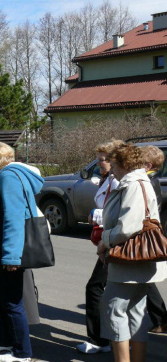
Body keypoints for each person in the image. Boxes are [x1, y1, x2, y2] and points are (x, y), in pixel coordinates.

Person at [97, 143, 167, 362]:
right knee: (136, 311)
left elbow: (128, 226)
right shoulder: (139, 181)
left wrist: (104, 241)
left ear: (124, 164)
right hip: (141, 259)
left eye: (114, 164)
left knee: (113, 310)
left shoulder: (133, 184)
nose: (111, 169)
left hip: (129, 259)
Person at [0, 139, 44, 362]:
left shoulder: (8, 177)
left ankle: (22, 352)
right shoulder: (6, 176)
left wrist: (11, 256)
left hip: (6, 251)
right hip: (0, 249)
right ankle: (5, 343)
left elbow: (14, 219)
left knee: (11, 302)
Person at [77, 140, 122, 355]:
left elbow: (118, 211)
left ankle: (99, 340)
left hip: (115, 241)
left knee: (95, 288)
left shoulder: (118, 181)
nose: (98, 163)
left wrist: (94, 215)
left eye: (102, 160)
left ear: (113, 161)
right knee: (118, 291)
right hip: (109, 239)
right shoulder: (108, 179)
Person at [141, 145, 167, 334]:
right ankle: (160, 318)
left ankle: (160, 319)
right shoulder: (151, 179)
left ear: (148, 164)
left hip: (143, 237)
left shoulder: (147, 181)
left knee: (145, 281)